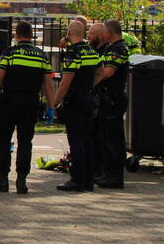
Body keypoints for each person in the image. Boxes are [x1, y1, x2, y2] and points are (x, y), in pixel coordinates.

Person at [0, 21, 56, 194]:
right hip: (31, 103)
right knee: (25, 142)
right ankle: (21, 181)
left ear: (17, 35)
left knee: (3, 141)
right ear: (31, 36)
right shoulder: (41, 55)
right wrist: (51, 107)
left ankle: (3, 179)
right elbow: (49, 85)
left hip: (9, 102)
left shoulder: (10, 53)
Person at [51, 20, 100, 192]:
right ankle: (88, 180)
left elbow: (65, 83)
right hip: (88, 98)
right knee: (88, 140)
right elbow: (100, 72)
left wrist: (54, 102)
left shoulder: (73, 53)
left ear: (70, 33)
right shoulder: (91, 51)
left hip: (75, 100)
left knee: (76, 141)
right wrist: (88, 87)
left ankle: (77, 179)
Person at [94, 19, 130, 189]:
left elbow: (107, 72)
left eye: (105, 31)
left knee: (114, 139)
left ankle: (116, 176)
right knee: (105, 138)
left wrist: (91, 81)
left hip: (114, 99)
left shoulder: (119, 49)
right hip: (106, 98)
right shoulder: (109, 48)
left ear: (110, 32)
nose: (103, 34)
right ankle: (107, 173)